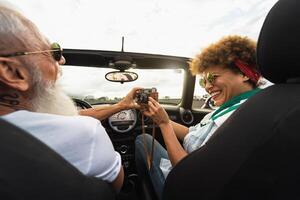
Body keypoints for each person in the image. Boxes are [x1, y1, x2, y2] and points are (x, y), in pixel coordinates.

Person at [0, 5, 141, 193]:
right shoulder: (87, 134)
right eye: (53, 52)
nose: (62, 60)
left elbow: (73, 116)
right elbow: (117, 184)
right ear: (12, 72)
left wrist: (121, 106)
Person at [135, 35, 263, 199]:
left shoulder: (240, 117)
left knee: (142, 140)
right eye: (204, 81)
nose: (208, 87)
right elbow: (192, 132)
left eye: (212, 77)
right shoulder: (234, 107)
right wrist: (159, 117)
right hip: (194, 172)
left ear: (244, 74)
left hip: (184, 185)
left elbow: (189, 176)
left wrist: (165, 125)